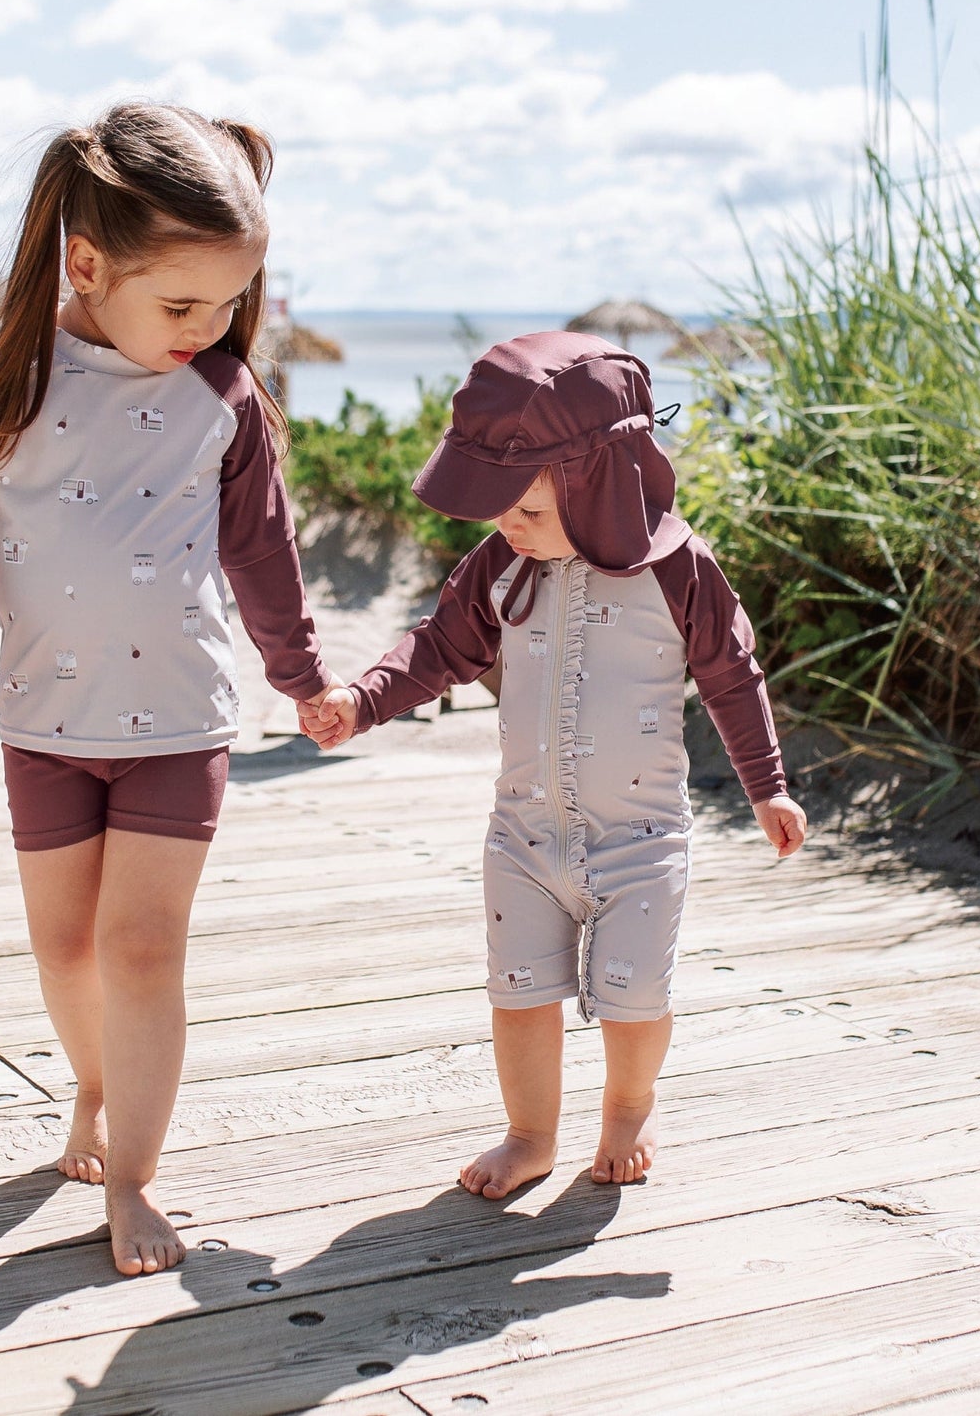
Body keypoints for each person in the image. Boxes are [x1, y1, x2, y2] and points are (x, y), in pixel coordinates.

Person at [0, 103, 336, 1276]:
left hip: (180, 722)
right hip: (43, 722)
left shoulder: (218, 401)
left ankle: (135, 1176)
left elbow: (262, 552)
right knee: (64, 943)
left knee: (141, 947)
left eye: (228, 306)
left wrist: (300, 677)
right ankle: (90, 1090)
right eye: (182, 305)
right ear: (85, 265)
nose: (209, 329)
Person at [300, 332, 807, 1199]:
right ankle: (529, 1133)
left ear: (597, 480)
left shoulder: (677, 569)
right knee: (517, 995)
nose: (508, 527)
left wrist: (766, 785)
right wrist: (363, 698)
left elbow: (731, 671)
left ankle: (627, 1108)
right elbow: (440, 647)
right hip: (524, 837)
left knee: (635, 998)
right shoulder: (503, 565)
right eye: (498, 511)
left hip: (639, 839)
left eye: (526, 510)